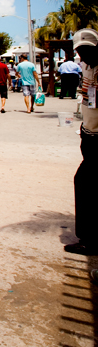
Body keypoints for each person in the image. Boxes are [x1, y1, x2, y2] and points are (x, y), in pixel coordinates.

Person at [65, 29, 98, 255]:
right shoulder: (86, 67)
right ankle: (88, 236)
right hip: (89, 132)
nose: (83, 55)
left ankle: (89, 239)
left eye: (87, 50)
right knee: (85, 183)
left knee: (86, 183)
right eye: (80, 50)